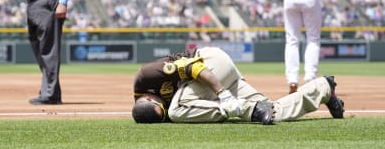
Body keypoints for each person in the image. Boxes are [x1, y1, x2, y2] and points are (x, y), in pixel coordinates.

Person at [132, 46, 344, 124]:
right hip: (206, 87)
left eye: (160, 105)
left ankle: (248, 108)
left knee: (178, 111)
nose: (164, 105)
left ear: (149, 98)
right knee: (273, 112)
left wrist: (223, 94)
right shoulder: (150, 109)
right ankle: (324, 88)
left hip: (210, 64)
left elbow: (194, 69)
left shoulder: (147, 75)